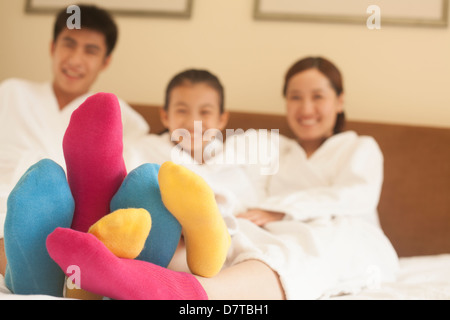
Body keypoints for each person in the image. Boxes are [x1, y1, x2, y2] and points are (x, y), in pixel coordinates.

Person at [46, 60, 398, 300]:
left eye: (317, 96)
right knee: (238, 239)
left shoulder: (359, 146)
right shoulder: (275, 147)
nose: (306, 108)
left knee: (301, 250)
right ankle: (128, 262)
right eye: (295, 97)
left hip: (348, 231)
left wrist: (278, 211)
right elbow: (230, 188)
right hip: (267, 223)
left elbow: (357, 196)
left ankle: (186, 292)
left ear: (340, 100)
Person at [0, 4, 149, 276]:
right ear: (52, 47)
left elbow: (134, 183)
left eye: (90, 51)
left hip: (75, 221)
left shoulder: (123, 118)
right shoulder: (10, 94)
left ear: (106, 61)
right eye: (68, 44)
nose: (75, 60)